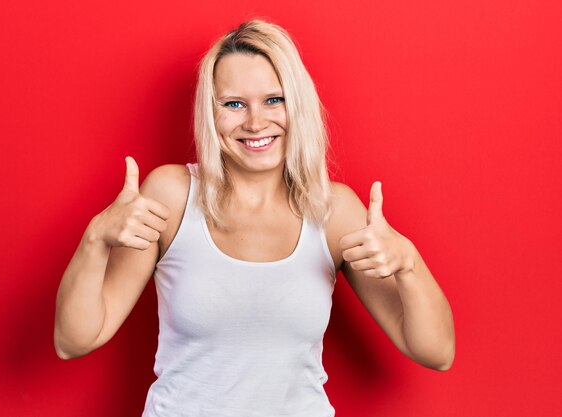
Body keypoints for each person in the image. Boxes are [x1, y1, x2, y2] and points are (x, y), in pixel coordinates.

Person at [54, 19, 455, 417]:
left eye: (273, 100)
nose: (255, 122)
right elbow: (74, 340)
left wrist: (409, 263)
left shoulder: (333, 212)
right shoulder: (171, 196)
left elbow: (436, 352)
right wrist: (96, 239)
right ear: (211, 115)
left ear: (297, 105)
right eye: (233, 104)